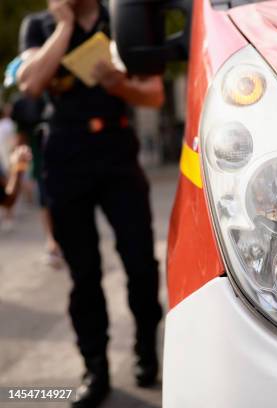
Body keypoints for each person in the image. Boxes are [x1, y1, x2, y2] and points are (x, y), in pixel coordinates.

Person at [17, 0, 164, 407]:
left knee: (140, 262)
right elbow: (29, 84)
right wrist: (63, 29)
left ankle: (145, 347)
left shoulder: (123, 18)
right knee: (84, 273)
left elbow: (153, 95)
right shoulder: (39, 26)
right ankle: (94, 366)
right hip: (65, 153)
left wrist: (120, 86)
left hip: (116, 150)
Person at [11, 95, 64, 267]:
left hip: (67, 163)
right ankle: (52, 243)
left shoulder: (60, 96)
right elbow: (8, 198)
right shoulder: (24, 105)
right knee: (46, 202)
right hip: (43, 166)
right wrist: (19, 165)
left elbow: (8, 198)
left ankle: (59, 242)